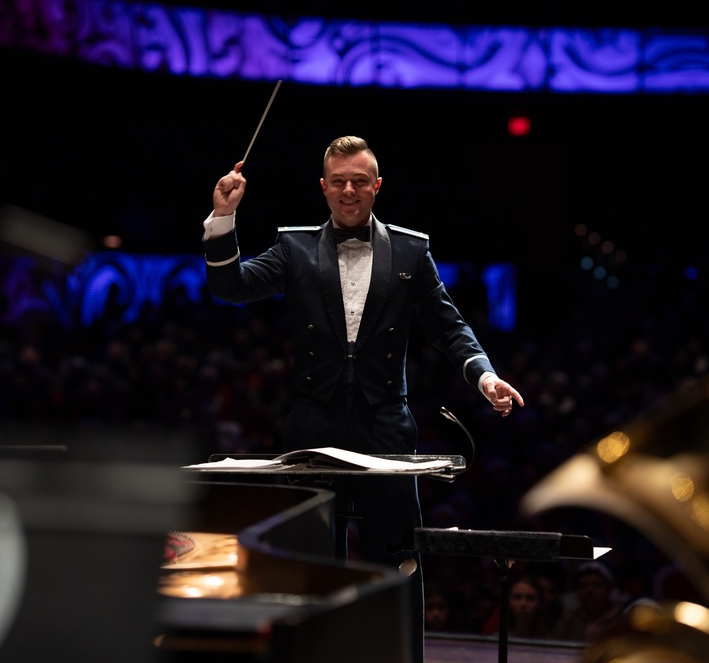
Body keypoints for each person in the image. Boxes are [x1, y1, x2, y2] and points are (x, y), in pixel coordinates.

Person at [202, 135, 524, 662]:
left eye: (359, 181)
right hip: (313, 423)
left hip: (384, 425)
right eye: (339, 182)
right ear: (323, 188)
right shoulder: (294, 246)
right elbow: (230, 287)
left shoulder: (412, 249)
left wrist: (484, 377)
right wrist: (222, 220)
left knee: (398, 556)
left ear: (377, 186)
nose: (349, 191)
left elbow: (449, 327)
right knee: (307, 557)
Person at [552, 561, 627, 642]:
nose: (589, 590)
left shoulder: (624, 619)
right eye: (583, 585)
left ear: (609, 588)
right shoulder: (567, 620)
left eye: (597, 585)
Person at [480, 574, 553, 640]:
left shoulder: (549, 642)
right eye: (517, 597)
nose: (523, 604)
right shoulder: (496, 640)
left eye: (531, 598)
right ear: (508, 602)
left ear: (541, 603)